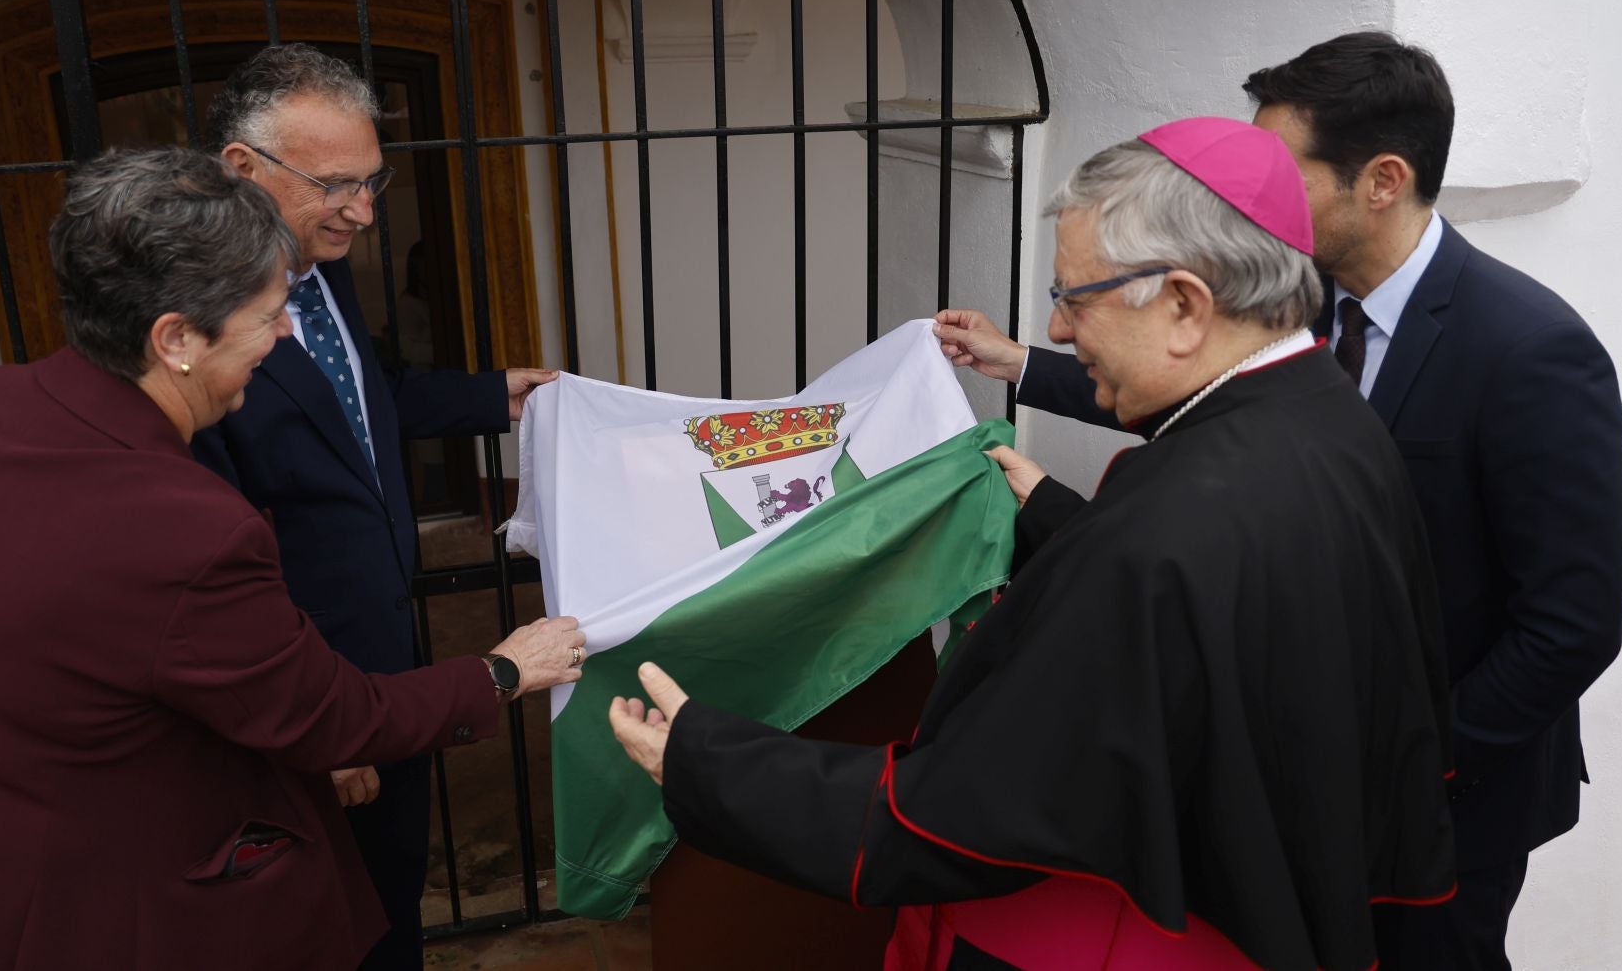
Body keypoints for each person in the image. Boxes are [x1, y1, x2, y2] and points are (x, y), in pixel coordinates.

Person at [613, 118, 1458, 970]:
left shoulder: (1159, 530)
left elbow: (966, 816)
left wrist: (709, 763)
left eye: (1074, 296)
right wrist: (1060, 515)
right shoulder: (1332, 418)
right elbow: (1224, 610)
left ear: (1183, 306)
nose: (1056, 330)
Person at [939, 34, 1622, 969]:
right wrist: (1023, 365)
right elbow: (1211, 417)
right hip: (1301, 777)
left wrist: (1411, 758)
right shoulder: (1302, 304)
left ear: (1382, 180)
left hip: (1455, 795)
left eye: (1278, 166)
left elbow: (1571, 625)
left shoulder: (1530, 348)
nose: (1240, 196)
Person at [0, 148, 585, 971]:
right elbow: (330, 717)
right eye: (267, 315)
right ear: (176, 338)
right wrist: (501, 671)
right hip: (68, 910)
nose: (286, 334)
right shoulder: (185, 531)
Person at [192, 44, 557, 968]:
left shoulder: (324, 266)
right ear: (244, 169)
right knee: (322, 916)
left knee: (389, 891)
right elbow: (215, 558)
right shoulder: (198, 330)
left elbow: (366, 395)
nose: (363, 210)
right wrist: (311, 723)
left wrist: (492, 394)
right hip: (303, 687)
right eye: (337, 185)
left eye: (374, 180)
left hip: (387, 649)